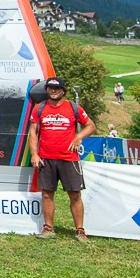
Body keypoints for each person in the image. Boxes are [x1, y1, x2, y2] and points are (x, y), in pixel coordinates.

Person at [27, 77, 93, 239]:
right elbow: (33, 132)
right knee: (47, 194)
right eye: (50, 88)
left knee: (75, 195)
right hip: (46, 158)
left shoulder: (73, 107)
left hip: (69, 158)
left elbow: (91, 125)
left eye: (57, 88)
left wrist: (79, 137)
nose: (54, 91)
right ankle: (48, 229)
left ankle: (80, 230)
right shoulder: (39, 108)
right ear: (47, 90)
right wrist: (34, 154)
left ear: (63, 91)